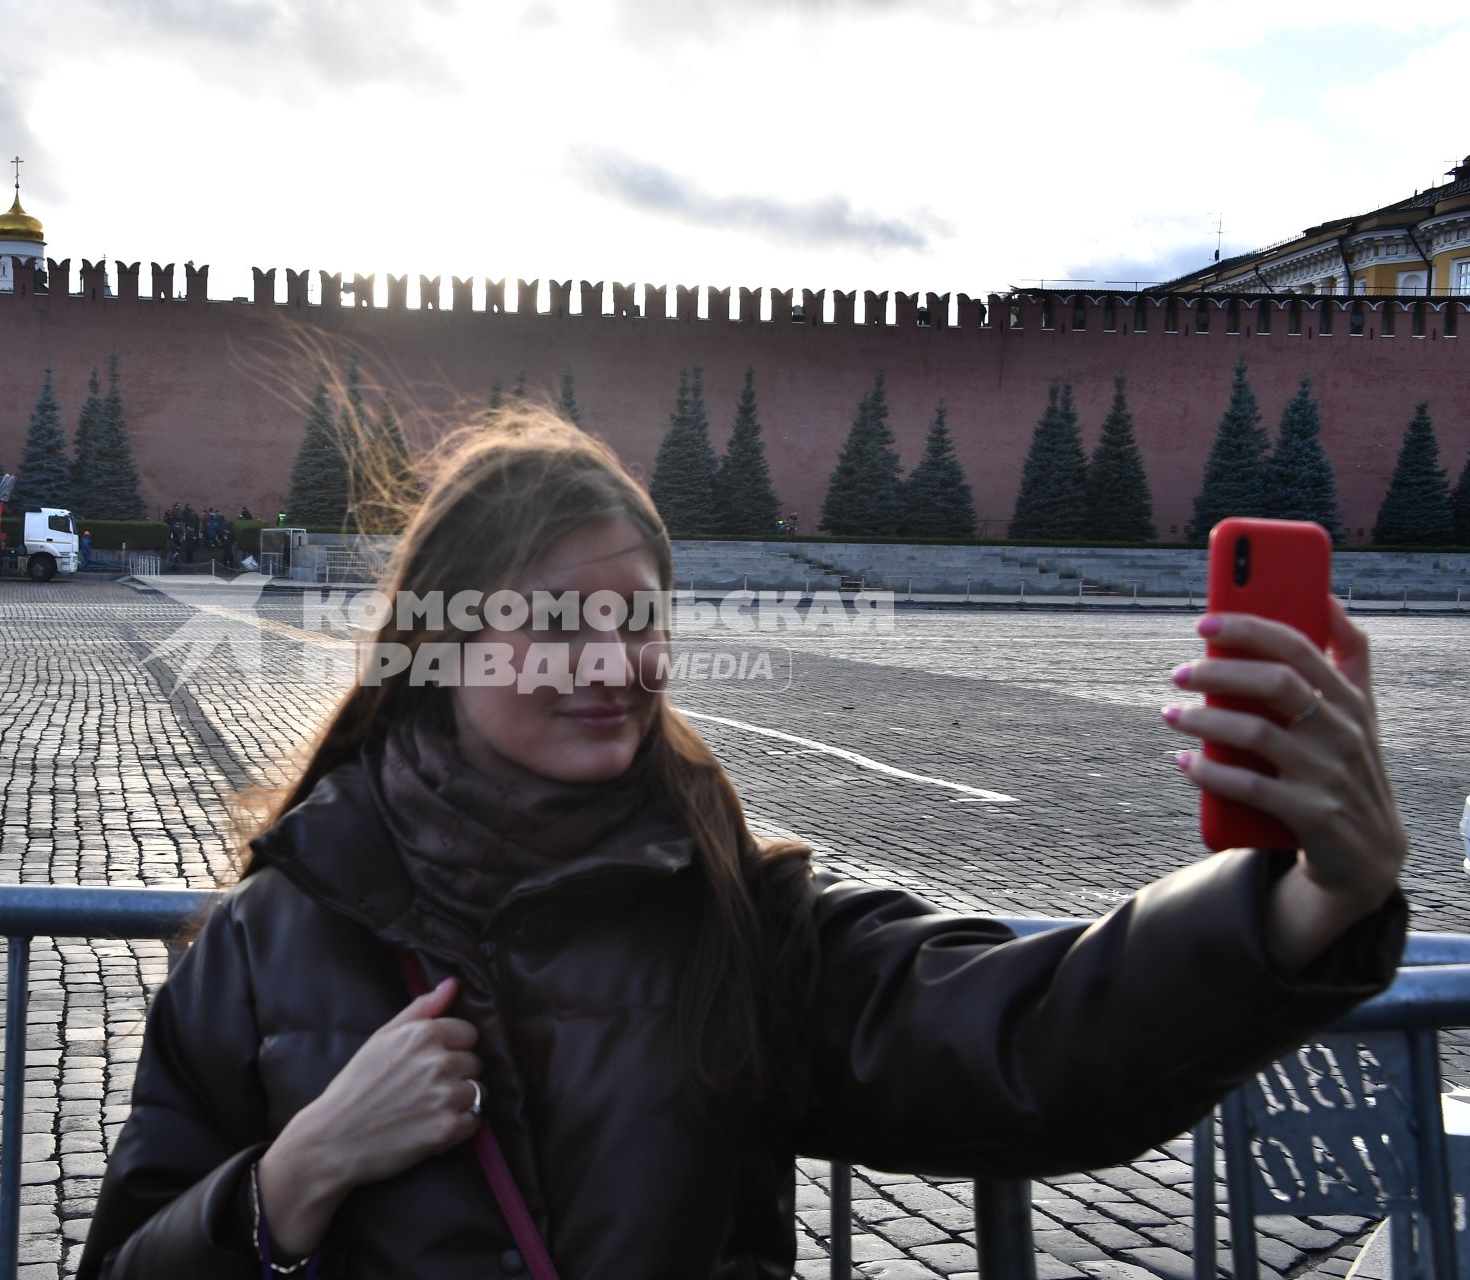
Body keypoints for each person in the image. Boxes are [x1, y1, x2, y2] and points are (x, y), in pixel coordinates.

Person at [79, 408, 1408, 1280]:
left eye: (641, 617)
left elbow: (1021, 1038)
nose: (614, 664)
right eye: (556, 622)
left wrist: (1300, 903)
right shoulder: (269, 939)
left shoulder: (736, 917)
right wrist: (292, 1180)